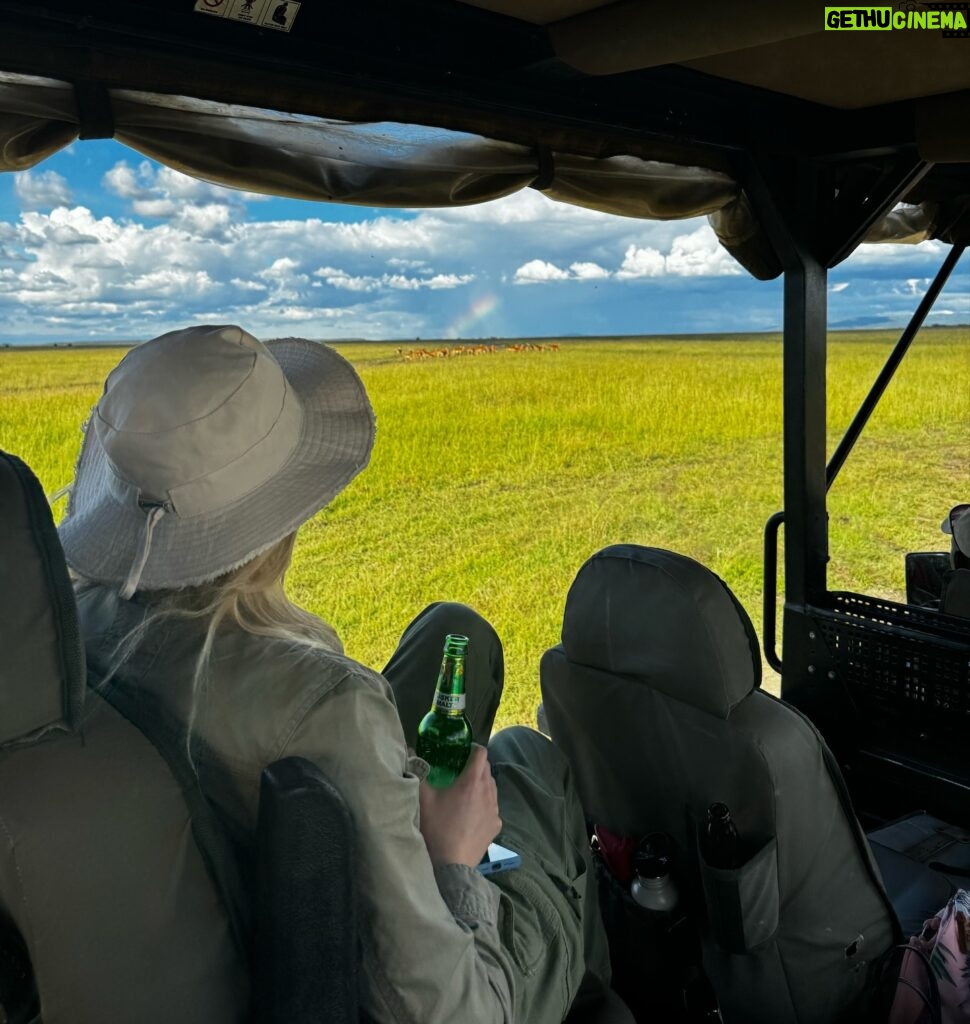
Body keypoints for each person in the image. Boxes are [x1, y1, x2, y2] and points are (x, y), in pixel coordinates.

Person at [57, 324, 612, 1024]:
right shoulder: (328, 706)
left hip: (237, 891)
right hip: (441, 973)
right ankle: (597, 999)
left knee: (452, 627)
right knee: (527, 759)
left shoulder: (71, 626)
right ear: (280, 510)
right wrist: (452, 860)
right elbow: (450, 1012)